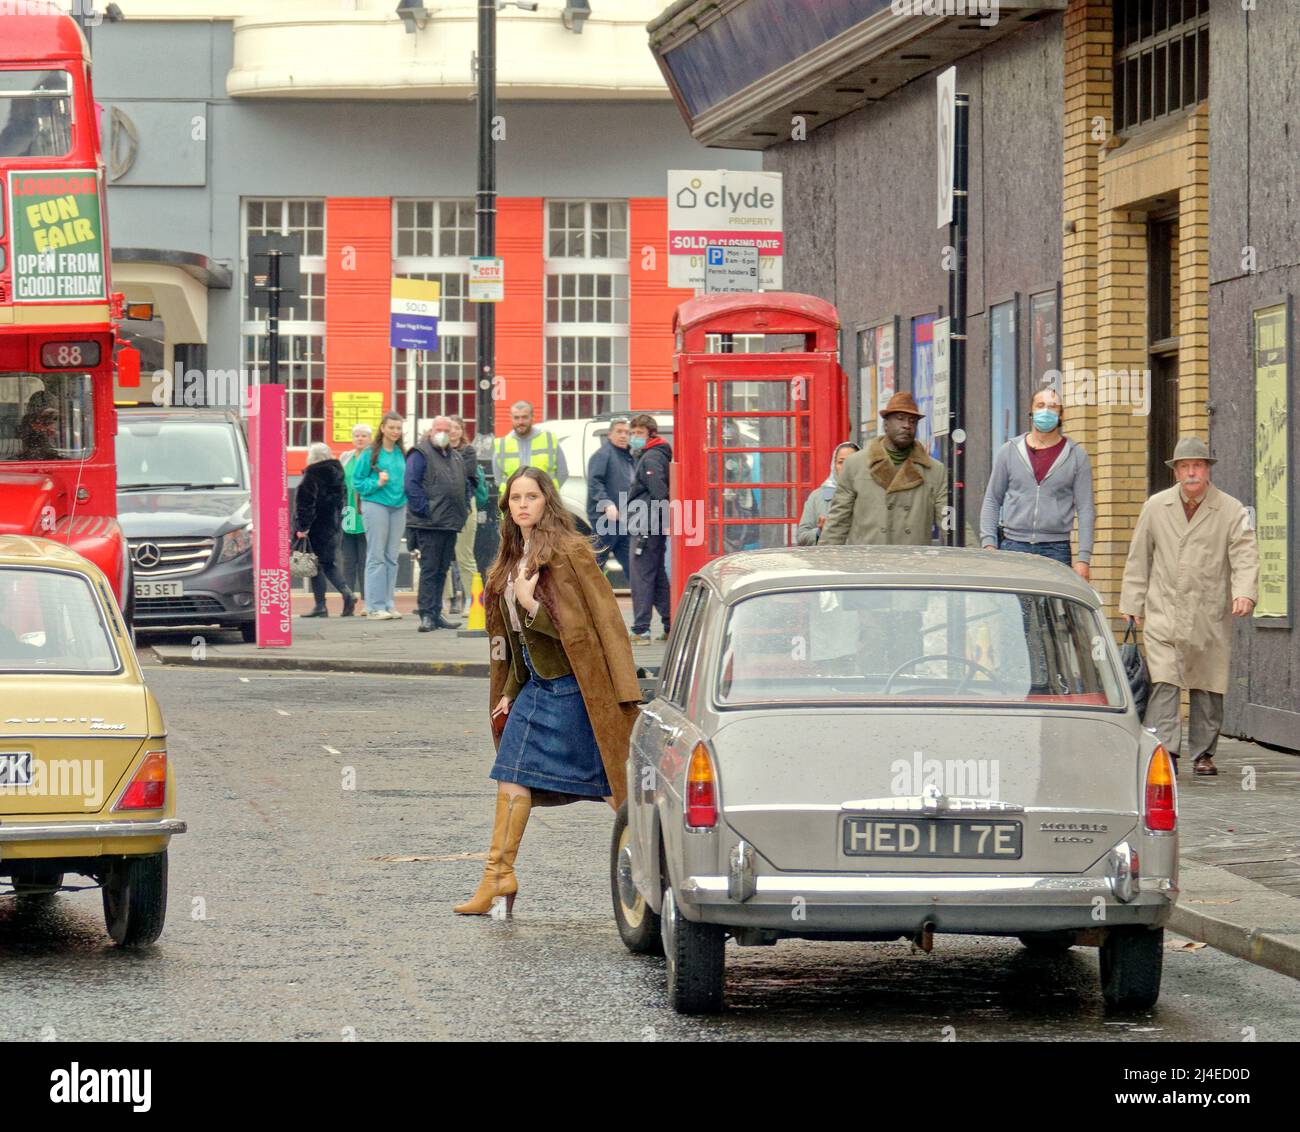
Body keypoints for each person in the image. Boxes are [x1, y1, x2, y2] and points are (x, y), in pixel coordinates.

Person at [453, 466, 642, 916]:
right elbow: (518, 640)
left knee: (612, 788)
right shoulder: (510, 559)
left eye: (531, 497)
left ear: (546, 502)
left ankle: (655, 864)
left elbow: (589, 631)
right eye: (515, 498)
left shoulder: (570, 552)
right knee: (511, 774)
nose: (522, 504)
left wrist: (533, 604)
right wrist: (511, 688)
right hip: (537, 689)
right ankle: (497, 875)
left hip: (577, 692)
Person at [1120, 436, 1259, 777]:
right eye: (1185, 466)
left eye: (1197, 466)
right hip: (1164, 607)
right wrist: (1132, 601)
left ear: (1207, 471)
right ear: (1176, 472)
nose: (1192, 472)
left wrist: (1244, 592)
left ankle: (1203, 753)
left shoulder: (1230, 509)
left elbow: (1244, 553)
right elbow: (1139, 556)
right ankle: (1165, 750)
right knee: (1165, 680)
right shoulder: (1156, 506)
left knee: (1208, 683)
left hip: (1208, 610)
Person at [980, 386, 1095, 580]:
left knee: (1052, 611)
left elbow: (1086, 509)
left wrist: (1083, 558)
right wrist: (989, 544)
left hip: (1056, 549)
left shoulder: (1077, 456)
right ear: (1031, 413)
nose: (1046, 411)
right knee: (1016, 609)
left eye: (1052, 407)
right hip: (1013, 546)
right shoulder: (1009, 451)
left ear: (1061, 415)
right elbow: (992, 499)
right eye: (1040, 405)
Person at [820, 392, 946, 546]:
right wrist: (826, 560)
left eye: (912, 421)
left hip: (913, 564)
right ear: (886, 424)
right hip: (868, 564)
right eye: (900, 418)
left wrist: (974, 558)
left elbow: (950, 522)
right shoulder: (855, 464)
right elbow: (838, 522)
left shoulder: (934, 470)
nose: (907, 425)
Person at [405, 415, 476, 633]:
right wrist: (424, 511)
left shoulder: (454, 456)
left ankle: (436, 613)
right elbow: (411, 484)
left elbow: (465, 484)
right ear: (431, 431)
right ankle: (427, 613)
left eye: (447, 429)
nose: (443, 432)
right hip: (430, 523)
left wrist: (463, 508)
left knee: (442, 569)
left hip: (450, 522)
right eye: (439, 429)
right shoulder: (420, 453)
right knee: (430, 569)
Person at [351, 410, 408, 621]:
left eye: (398, 428)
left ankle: (388, 603)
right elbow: (357, 482)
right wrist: (377, 483)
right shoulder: (370, 453)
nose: (395, 431)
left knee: (392, 558)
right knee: (376, 556)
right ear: (382, 428)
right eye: (391, 427)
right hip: (375, 505)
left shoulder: (402, 453)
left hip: (399, 506)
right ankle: (374, 606)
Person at [294, 442, 355, 618]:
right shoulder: (338, 474)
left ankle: (320, 605)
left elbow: (305, 504)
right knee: (329, 564)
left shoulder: (312, 475)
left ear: (312, 457)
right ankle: (347, 593)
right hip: (333, 527)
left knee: (315, 566)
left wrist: (302, 527)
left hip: (316, 528)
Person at [626, 412, 671, 644]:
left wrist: (648, 525)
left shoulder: (651, 458)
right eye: (632, 432)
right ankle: (670, 622)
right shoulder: (651, 454)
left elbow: (659, 492)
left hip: (646, 524)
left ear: (651, 434)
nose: (634, 437)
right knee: (657, 576)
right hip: (650, 523)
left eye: (639, 433)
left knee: (641, 576)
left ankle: (641, 629)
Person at [443, 415, 487, 616]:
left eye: (456, 428)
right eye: (449, 428)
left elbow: (464, 474)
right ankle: (446, 600)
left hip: (465, 506)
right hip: (442, 507)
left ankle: (473, 598)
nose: (452, 431)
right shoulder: (437, 450)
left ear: (462, 431)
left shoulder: (468, 451)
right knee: (441, 556)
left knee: (464, 555)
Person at [587, 416, 634, 578]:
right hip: (605, 522)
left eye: (627, 432)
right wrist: (607, 504)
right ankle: (589, 601)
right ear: (610, 434)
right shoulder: (603, 455)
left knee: (632, 567)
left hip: (622, 523)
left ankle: (641, 602)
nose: (623, 436)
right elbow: (595, 483)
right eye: (619, 432)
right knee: (594, 566)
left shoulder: (626, 456)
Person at [491, 400, 567, 497]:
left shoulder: (549, 440)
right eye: (516, 418)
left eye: (524, 417)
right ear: (511, 418)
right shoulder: (501, 444)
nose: (520, 422)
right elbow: (498, 480)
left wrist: (547, 493)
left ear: (532, 417)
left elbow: (563, 473)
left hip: (546, 503)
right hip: (514, 506)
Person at [797, 441, 860, 545]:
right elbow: (802, 536)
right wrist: (820, 532)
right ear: (834, 465)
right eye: (841, 462)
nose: (846, 467)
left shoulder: (869, 494)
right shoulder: (817, 496)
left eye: (852, 462)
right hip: (827, 558)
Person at [338, 423, 371, 607]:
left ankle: (368, 600)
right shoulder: (345, 457)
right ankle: (348, 599)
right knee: (348, 560)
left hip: (365, 512)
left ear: (369, 439)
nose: (360, 439)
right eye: (357, 435)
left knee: (365, 560)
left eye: (363, 436)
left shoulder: (372, 458)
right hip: (348, 512)